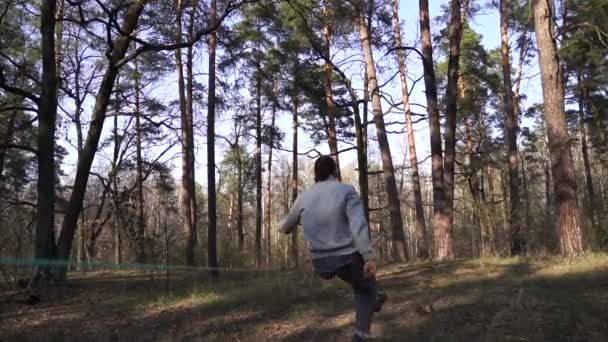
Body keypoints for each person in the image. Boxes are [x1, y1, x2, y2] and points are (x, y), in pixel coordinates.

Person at [280, 155, 386, 342]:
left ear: (316, 175)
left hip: (321, 264)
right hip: (347, 258)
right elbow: (358, 225)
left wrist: (299, 219)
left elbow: (286, 227)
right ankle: (362, 333)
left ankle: (375, 297)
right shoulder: (346, 191)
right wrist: (368, 256)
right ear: (334, 171)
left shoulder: (304, 197)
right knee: (365, 290)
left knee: (361, 284)